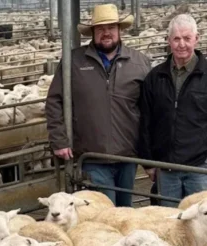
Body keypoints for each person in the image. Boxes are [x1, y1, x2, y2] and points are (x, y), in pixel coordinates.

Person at [45, 3, 150, 207]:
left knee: (125, 212)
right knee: (103, 213)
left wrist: (149, 154)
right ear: (92, 32)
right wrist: (59, 140)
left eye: (111, 28)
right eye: (100, 29)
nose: (106, 33)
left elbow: (150, 109)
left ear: (120, 30)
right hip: (92, 156)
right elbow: (54, 100)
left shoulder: (139, 63)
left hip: (127, 156)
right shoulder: (73, 61)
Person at [138, 14, 207, 207]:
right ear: (168, 41)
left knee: (201, 223)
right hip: (165, 168)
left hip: (199, 168)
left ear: (196, 38)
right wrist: (149, 163)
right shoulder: (155, 77)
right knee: (168, 221)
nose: (181, 44)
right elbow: (146, 121)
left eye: (186, 38)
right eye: (176, 39)